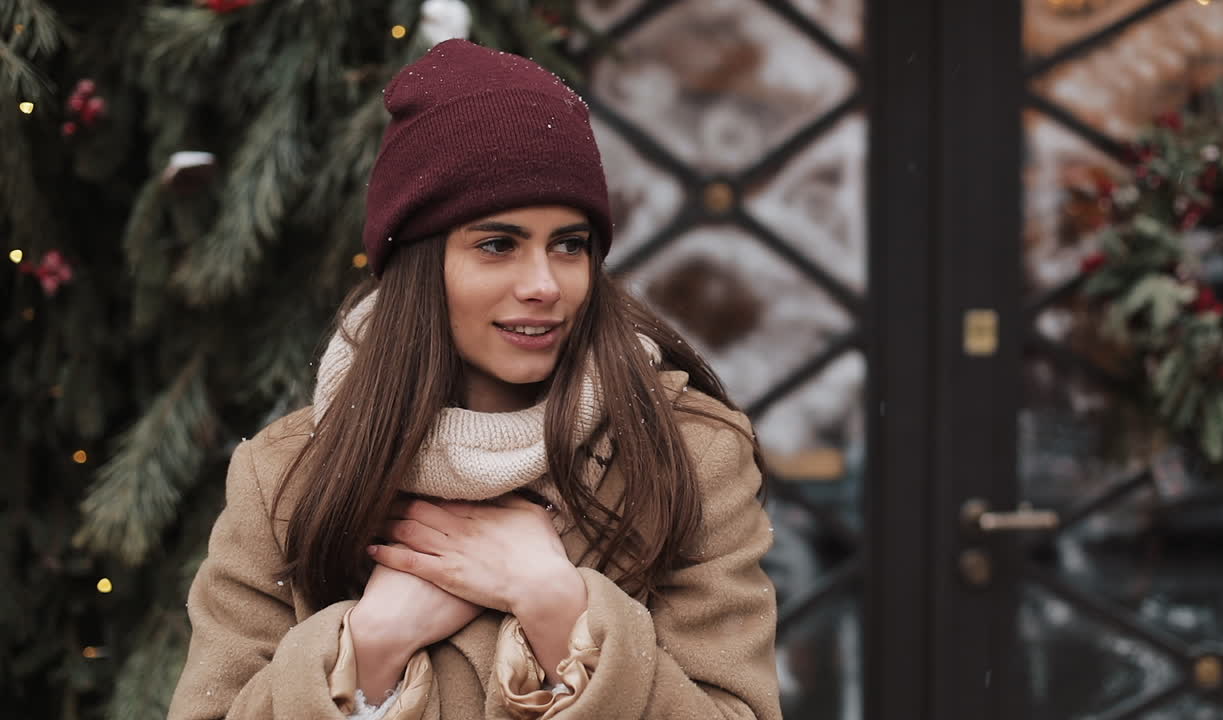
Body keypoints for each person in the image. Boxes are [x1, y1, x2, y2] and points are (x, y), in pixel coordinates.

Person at [168, 39, 780, 720]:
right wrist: (371, 648)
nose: (544, 284)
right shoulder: (288, 475)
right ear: (420, 264)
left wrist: (559, 611)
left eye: (569, 244)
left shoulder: (688, 455)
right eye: (497, 245)